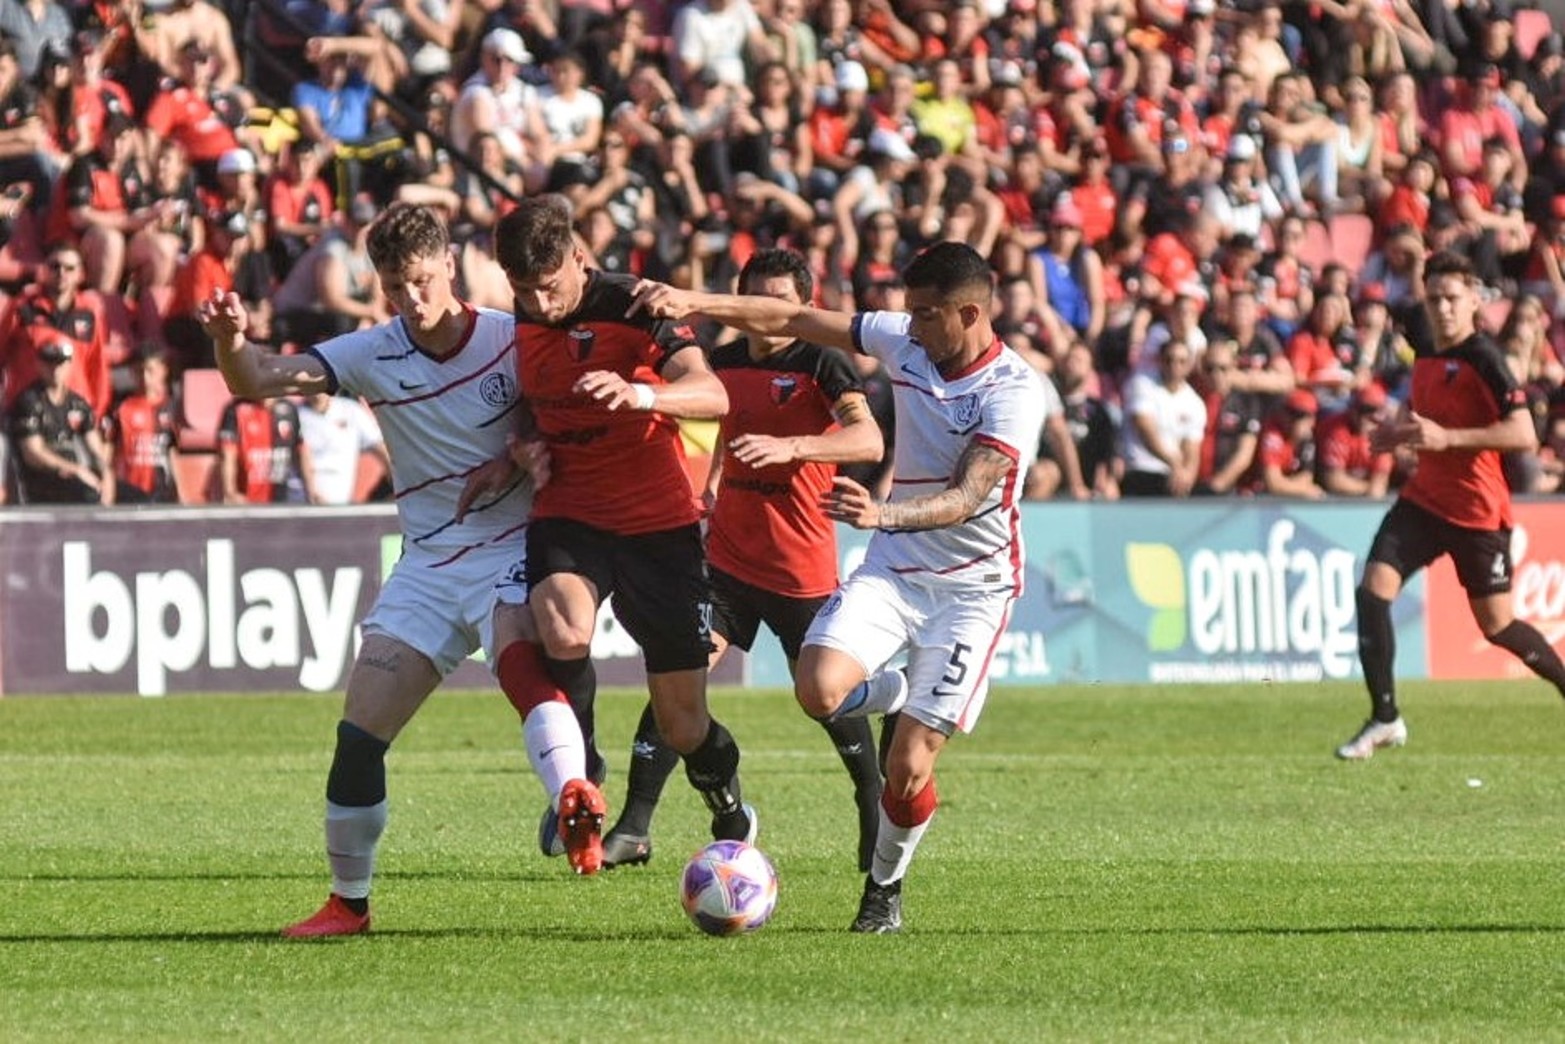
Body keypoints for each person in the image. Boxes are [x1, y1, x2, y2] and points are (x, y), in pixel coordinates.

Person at [195, 202, 601, 938]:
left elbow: (566, 414)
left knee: (517, 648)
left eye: (419, 279)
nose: (410, 300)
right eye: (393, 286)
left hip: (511, 543)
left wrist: (516, 447)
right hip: (426, 565)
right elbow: (255, 380)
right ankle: (348, 905)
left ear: (449, 264)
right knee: (358, 735)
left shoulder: (512, 340)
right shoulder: (369, 353)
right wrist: (230, 343)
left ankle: (573, 794)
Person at [628, 240, 1046, 933]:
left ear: (968, 313)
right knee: (816, 689)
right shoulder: (907, 342)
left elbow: (970, 495)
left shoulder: (1012, 391)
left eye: (925, 315)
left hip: (971, 591)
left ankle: (883, 889)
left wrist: (882, 513)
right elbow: (793, 319)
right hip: (892, 571)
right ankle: (897, 690)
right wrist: (694, 303)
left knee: (908, 764)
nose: (908, 328)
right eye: (907, 313)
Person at [491, 194, 757, 863]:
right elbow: (524, 408)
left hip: (657, 524)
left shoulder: (633, 306)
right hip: (570, 510)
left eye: (549, 288)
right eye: (525, 291)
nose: (540, 304)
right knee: (561, 629)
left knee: (682, 721)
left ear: (579, 258)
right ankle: (580, 774)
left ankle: (724, 797)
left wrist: (643, 394)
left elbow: (714, 396)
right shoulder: (516, 321)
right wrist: (523, 445)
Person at [600, 248, 885, 872]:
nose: (766, 312)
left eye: (781, 300)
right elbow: (714, 427)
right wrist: (709, 483)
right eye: (757, 297)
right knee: (680, 671)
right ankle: (635, 824)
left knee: (827, 700)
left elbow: (868, 439)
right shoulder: (719, 366)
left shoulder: (822, 363)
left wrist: (794, 447)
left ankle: (873, 802)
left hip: (800, 570)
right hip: (727, 562)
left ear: (805, 305)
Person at [1337, 251, 1565, 760]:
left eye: (1452, 298)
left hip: (1477, 512)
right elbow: (1425, 409)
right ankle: (1385, 717)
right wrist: (1400, 429)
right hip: (1424, 501)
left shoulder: (1487, 359)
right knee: (1373, 590)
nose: (1442, 308)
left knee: (1498, 626)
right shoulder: (1423, 346)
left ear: (1472, 300)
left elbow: (1524, 433)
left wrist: (1448, 438)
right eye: (1435, 297)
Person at [8, 339, 114, 504]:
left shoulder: (78, 404)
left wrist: (107, 476)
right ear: (39, 365)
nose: (55, 369)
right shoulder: (29, 401)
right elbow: (33, 454)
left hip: (79, 474)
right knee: (89, 496)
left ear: (69, 365)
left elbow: (97, 450)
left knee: (138, 499)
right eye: (49, 363)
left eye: (60, 363)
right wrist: (75, 469)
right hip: (46, 477)